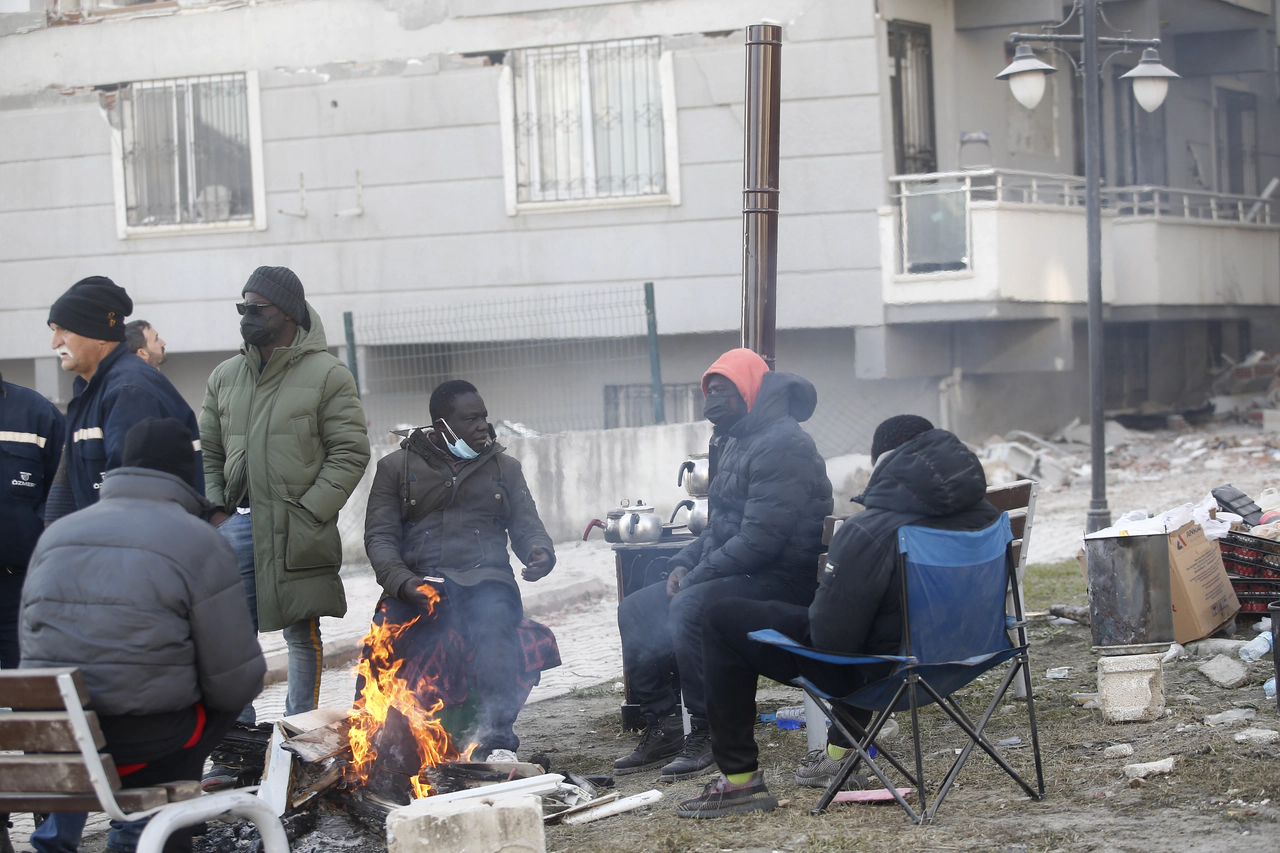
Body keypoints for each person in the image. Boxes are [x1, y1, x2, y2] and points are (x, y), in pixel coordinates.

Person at [676, 416, 1000, 819]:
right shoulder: (987, 517)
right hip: (962, 659)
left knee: (722, 618)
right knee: (875, 627)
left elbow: (830, 640)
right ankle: (840, 756)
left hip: (887, 674)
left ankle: (740, 782)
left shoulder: (870, 530)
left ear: (882, 464)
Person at [20, 418, 265, 853]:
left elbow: (32, 646)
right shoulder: (200, 540)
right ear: (185, 471)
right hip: (142, 746)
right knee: (220, 700)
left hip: (55, 743)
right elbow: (236, 679)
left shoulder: (55, 535)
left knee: (82, 709)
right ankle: (151, 829)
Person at [615, 349, 832, 782]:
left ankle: (710, 732)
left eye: (723, 390)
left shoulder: (784, 443)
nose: (713, 399)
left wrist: (696, 577)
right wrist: (681, 563)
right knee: (637, 610)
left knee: (693, 605)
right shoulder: (733, 439)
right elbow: (721, 528)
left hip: (785, 579)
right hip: (746, 572)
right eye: (709, 390)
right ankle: (666, 726)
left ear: (751, 390)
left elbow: (761, 540)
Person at [199, 266, 370, 769]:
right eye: (242, 308)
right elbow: (209, 447)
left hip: (298, 526)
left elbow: (349, 452)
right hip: (238, 526)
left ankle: (300, 742)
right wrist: (216, 511)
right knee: (228, 638)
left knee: (300, 630)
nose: (247, 318)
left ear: (288, 313)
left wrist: (309, 511)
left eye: (257, 309)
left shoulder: (327, 374)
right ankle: (240, 747)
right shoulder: (226, 376)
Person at [363, 379, 556, 762]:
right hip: (419, 582)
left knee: (495, 627)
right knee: (381, 639)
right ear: (442, 426)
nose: (482, 426)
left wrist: (540, 552)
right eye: (470, 419)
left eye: (483, 417)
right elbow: (379, 539)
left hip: (487, 581)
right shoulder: (395, 468)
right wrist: (404, 583)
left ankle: (498, 741)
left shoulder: (505, 466)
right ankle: (373, 745)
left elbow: (527, 526)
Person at [43, 277, 202, 524]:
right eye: (53, 330)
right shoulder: (93, 387)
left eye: (65, 330)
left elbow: (135, 505)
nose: (55, 343)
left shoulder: (129, 391)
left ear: (99, 334)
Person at [0, 374, 65, 853]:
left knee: (38, 701)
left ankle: (51, 817)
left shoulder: (35, 414)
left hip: (23, 590)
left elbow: (64, 495)